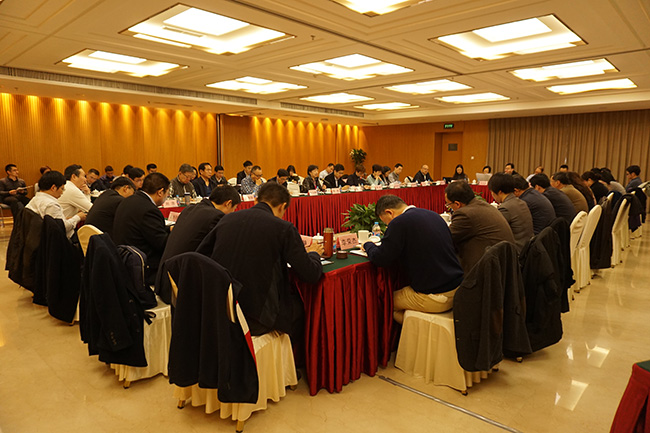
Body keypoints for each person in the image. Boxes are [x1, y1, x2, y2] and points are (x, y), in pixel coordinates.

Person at [196, 182, 324, 340]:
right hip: (257, 317)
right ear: (282, 206)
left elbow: (200, 256)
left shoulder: (226, 219)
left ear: (256, 200)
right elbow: (310, 274)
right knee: (299, 308)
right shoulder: (283, 228)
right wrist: (314, 254)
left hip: (220, 306)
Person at [363, 195, 464, 323]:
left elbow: (381, 258)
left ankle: (417, 333)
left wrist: (368, 245)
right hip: (457, 288)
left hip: (434, 295)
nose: (387, 225)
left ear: (389, 212)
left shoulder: (399, 222)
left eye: (385, 222)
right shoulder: (433, 215)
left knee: (384, 302)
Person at [156, 185, 241, 304]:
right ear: (228, 203)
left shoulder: (189, 209)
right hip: (179, 287)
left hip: (164, 280)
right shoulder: (215, 216)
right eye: (234, 208)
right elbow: (219, 252)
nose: (233, 212)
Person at [445, 181, 515, 274]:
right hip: (504, 265)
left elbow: (446, 239)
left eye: (448, 204)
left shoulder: (465, 214)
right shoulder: (483, 205)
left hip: (488, 271)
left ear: (458, 204)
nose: (449, 207)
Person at [112, 173, 171, 284]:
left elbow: (146, 230)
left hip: (124, 257)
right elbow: (162, 244)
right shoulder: (149, 210)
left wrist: (169, 229)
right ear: (160, 192)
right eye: (167, 193)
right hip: (143, 265)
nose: (167, 196)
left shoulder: (129, 200)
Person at [26, 170, 86, 239]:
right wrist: (78, 217)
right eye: (62, 189)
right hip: (61, 240)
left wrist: (67, 219)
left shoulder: (35, 199)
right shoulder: (51, 205)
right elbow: (62, 228)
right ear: (53, 188)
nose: (62, 192)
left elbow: (51, 222)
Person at [488, 173, 534, 253]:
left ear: (500, 192)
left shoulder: (506, 208)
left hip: (516, 252)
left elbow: (494, 232)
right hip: (527, 248)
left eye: (492, 192)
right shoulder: (521, 202)